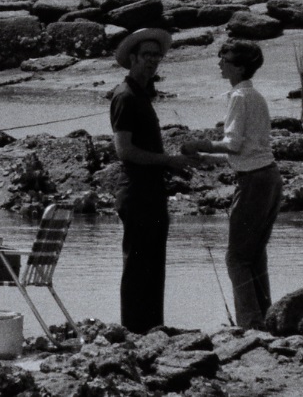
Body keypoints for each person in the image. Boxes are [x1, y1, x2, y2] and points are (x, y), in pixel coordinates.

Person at [181, 39, 282, 329]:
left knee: (236, 258)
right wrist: (206, 157)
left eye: (224, 59)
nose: (219, 63)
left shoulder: (239, 96)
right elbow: (251, 148)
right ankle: (266, 318)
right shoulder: (257, 96)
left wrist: (198, 144)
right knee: (255, 254)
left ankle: (250, 323)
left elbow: (234, 144)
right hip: (270, 177)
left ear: (238, 67)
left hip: (254, 182)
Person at [109, 28, 197, 334]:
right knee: (137, 267)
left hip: (151, 191)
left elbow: (141, 149)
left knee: (153, 266)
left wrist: (170, 166)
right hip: (136, 192)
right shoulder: (125, 95)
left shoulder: (142, 95)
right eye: (146, 56)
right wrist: (167, 160)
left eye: (156, 56)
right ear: (132, 58)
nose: (152, 62)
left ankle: (152, 330)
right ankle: (135, 332)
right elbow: (124, 150)